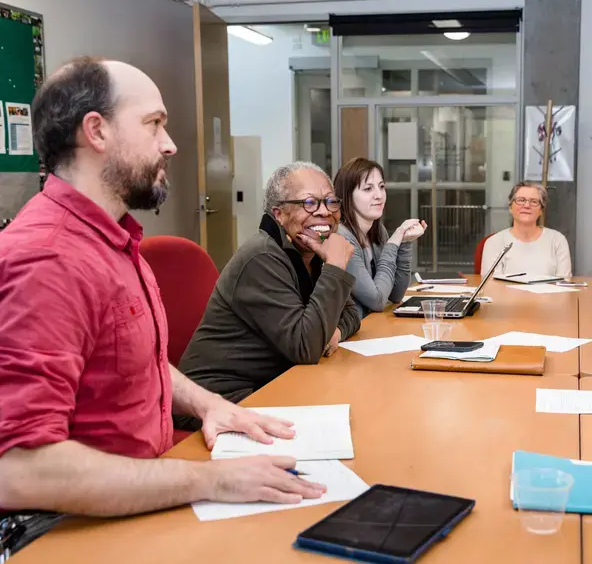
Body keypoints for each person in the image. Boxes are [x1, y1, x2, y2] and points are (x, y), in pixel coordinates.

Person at [0, 58, 325, 519]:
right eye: (153, 124)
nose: (169, 145)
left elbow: (131, 358)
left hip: (147, 484)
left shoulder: (112, 239)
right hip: (67, 525)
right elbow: (18, 470)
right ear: (96, 132)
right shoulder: (47, 260)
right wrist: (212, 480)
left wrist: (209, 403)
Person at [178, 161, 361, 428]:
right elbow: (306, 347)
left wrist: (333, 333)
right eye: (309, 202)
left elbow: (351, 314)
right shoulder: (262, 257)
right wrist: (335, 266)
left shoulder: (312, 252)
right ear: (279, 214)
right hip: (222, 400)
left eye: (331, 201)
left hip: (275, 383)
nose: (325, 212)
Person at [334, 158, 427, 317]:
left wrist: (404, 243)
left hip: (370, 328)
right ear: (347, 195)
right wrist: (392, 244)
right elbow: (377, 300)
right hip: (349, 337)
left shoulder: (377, 230)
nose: (379, 195)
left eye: (381, 187)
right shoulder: (341, 237)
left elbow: (396, 295)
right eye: (368, 188)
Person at [481, 182, 572, 276]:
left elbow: (564, 282)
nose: (527, 206)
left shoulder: (557, 240)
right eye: (521, 200)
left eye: (534, 201)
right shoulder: (494, 242)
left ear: (541, 210)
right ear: (510, 207)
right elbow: (491, 285)